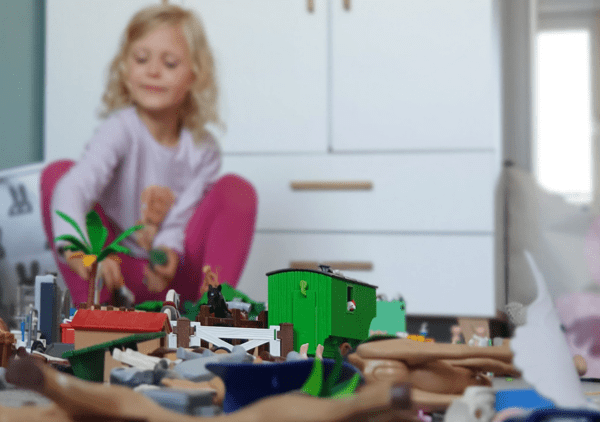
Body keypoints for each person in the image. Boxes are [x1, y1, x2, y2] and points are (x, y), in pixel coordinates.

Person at [40, 4, 257, 306]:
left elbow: (180, 221)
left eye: (169, 63)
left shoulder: (203, 149)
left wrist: (167, 253)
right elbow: (73, 188)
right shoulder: (120, 129)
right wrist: (77, 249)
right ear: (125, 70)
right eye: (141, 59)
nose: (153, 71)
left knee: (237, 191)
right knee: (59, 175)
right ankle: (92, 310)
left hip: (175, 279)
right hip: (114, 272)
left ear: (194, 76)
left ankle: (213, 313)